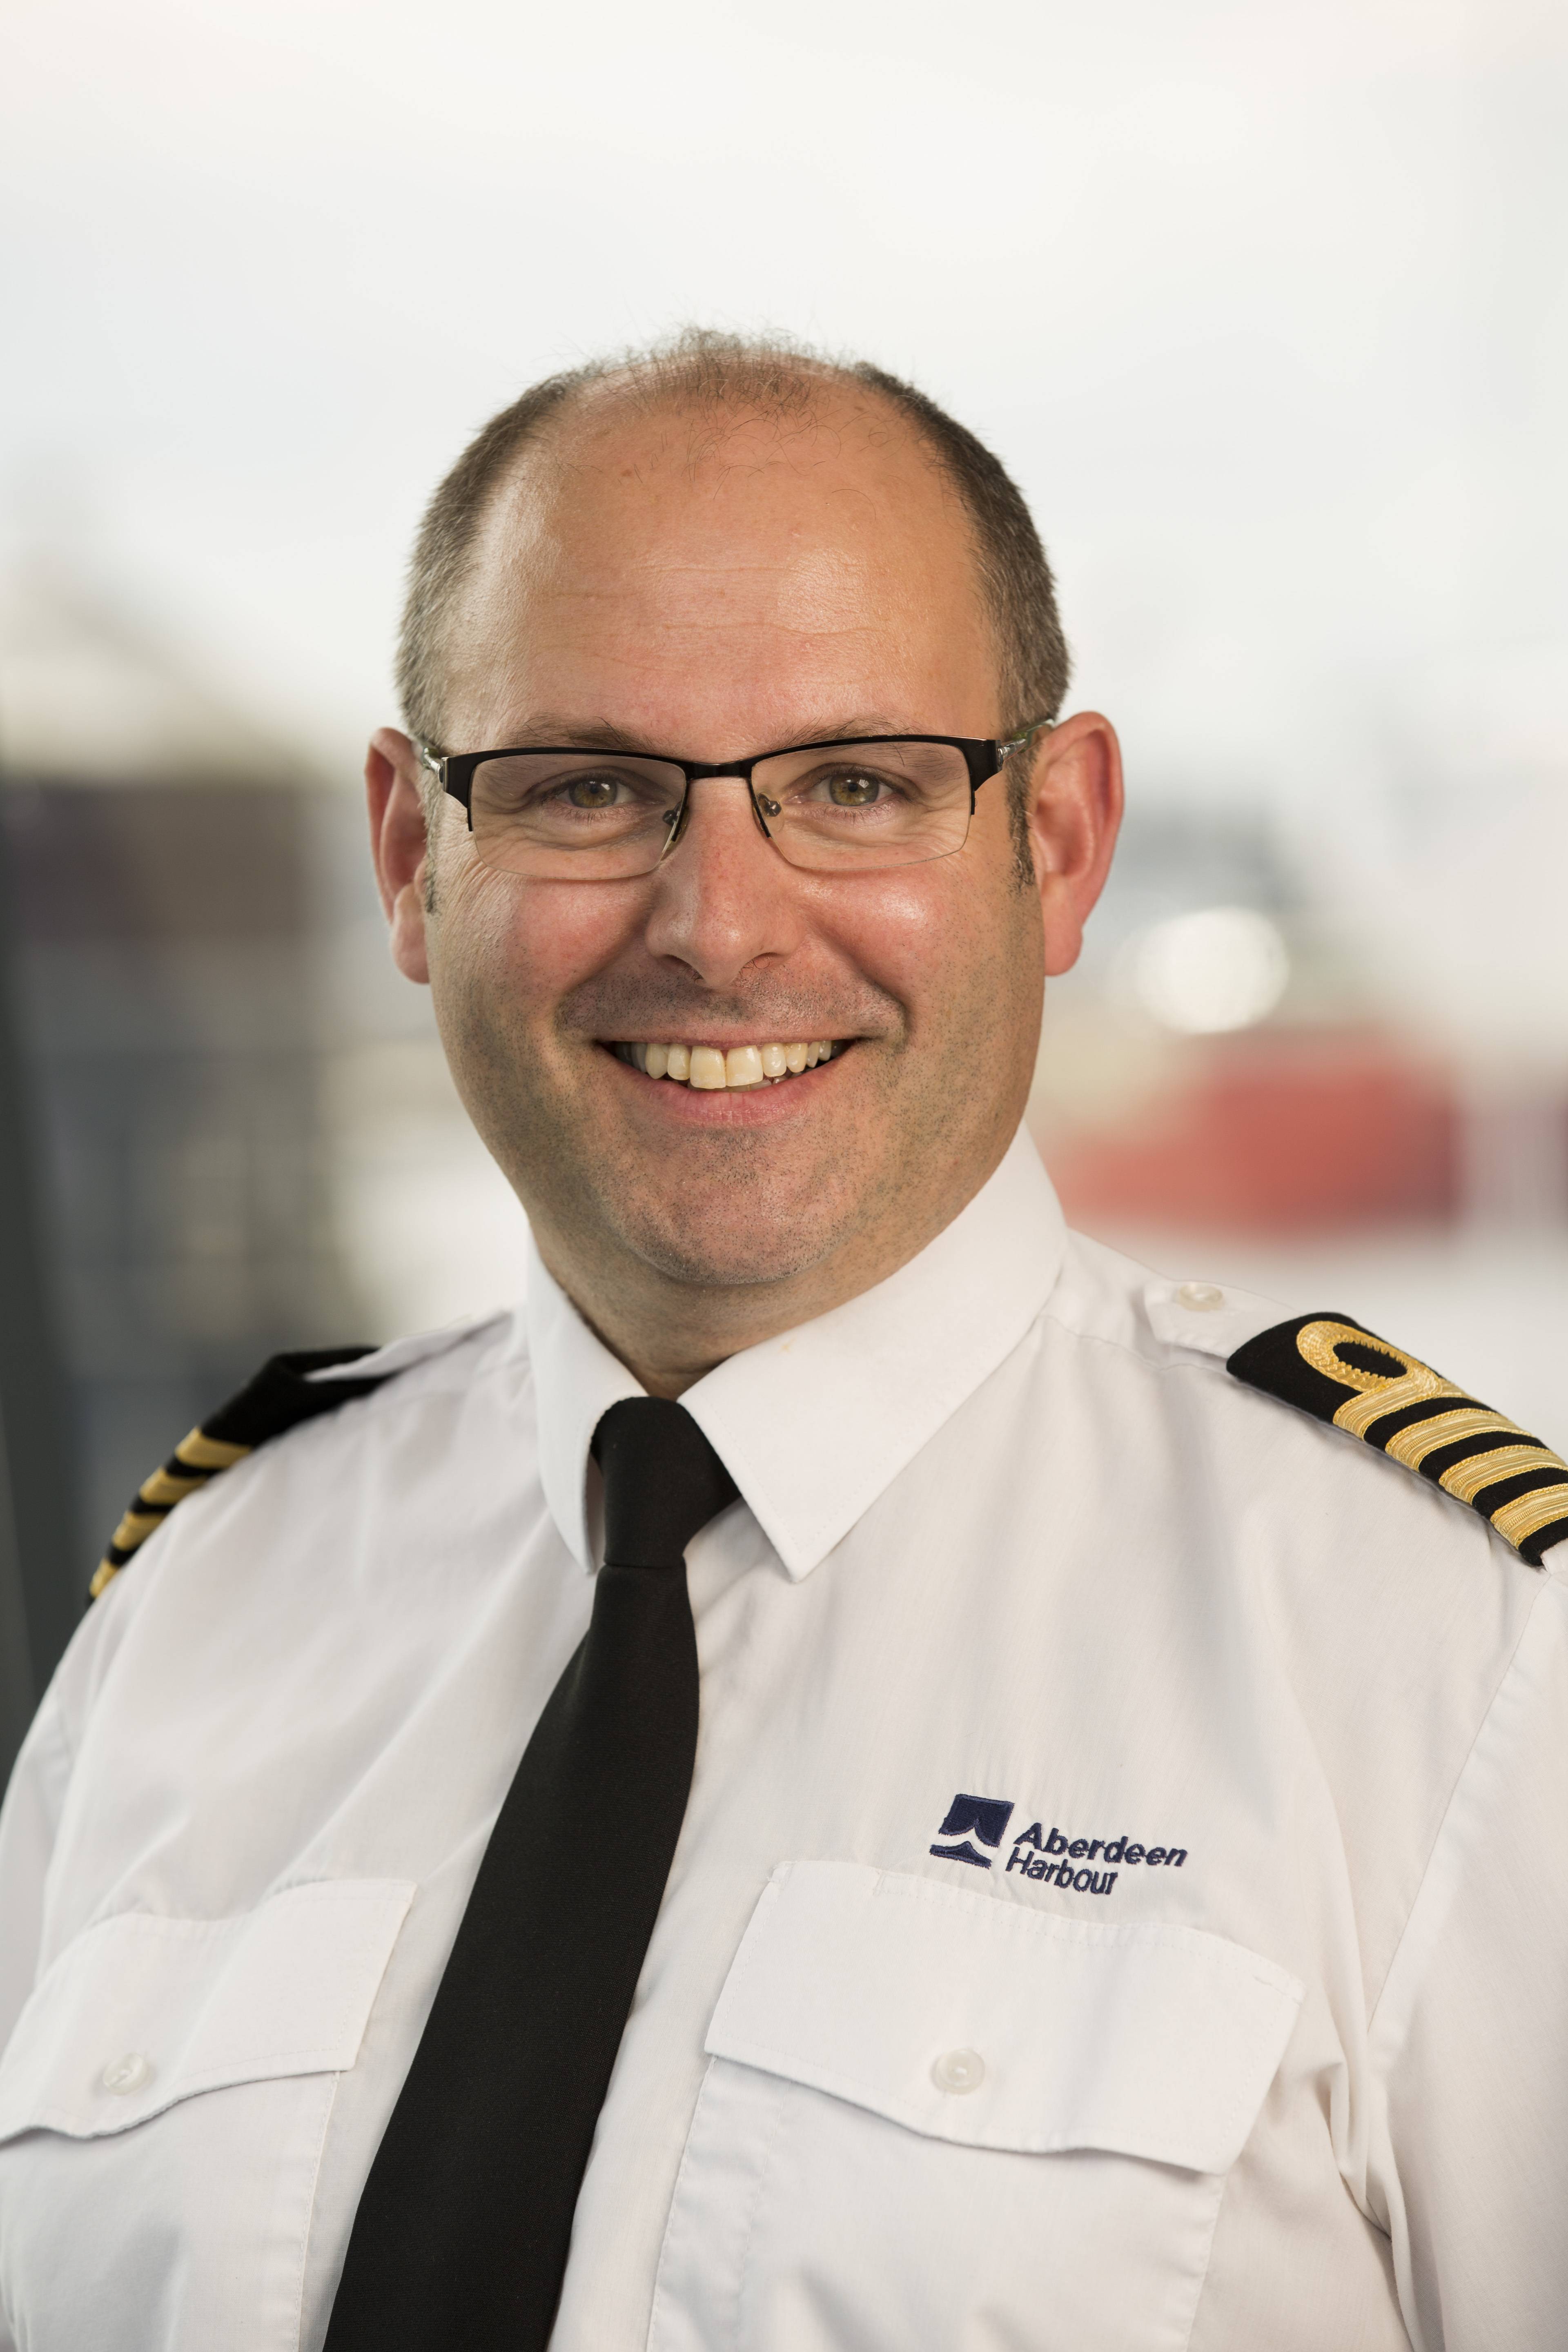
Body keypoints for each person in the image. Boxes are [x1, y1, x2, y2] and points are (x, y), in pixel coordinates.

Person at [0, 332, 1564, 2352]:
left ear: (1058, 841)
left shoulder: (1454, 1667)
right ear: (410, 858)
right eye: (587, 789)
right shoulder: (197, 1611)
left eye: (856, 786)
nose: (719, 926)